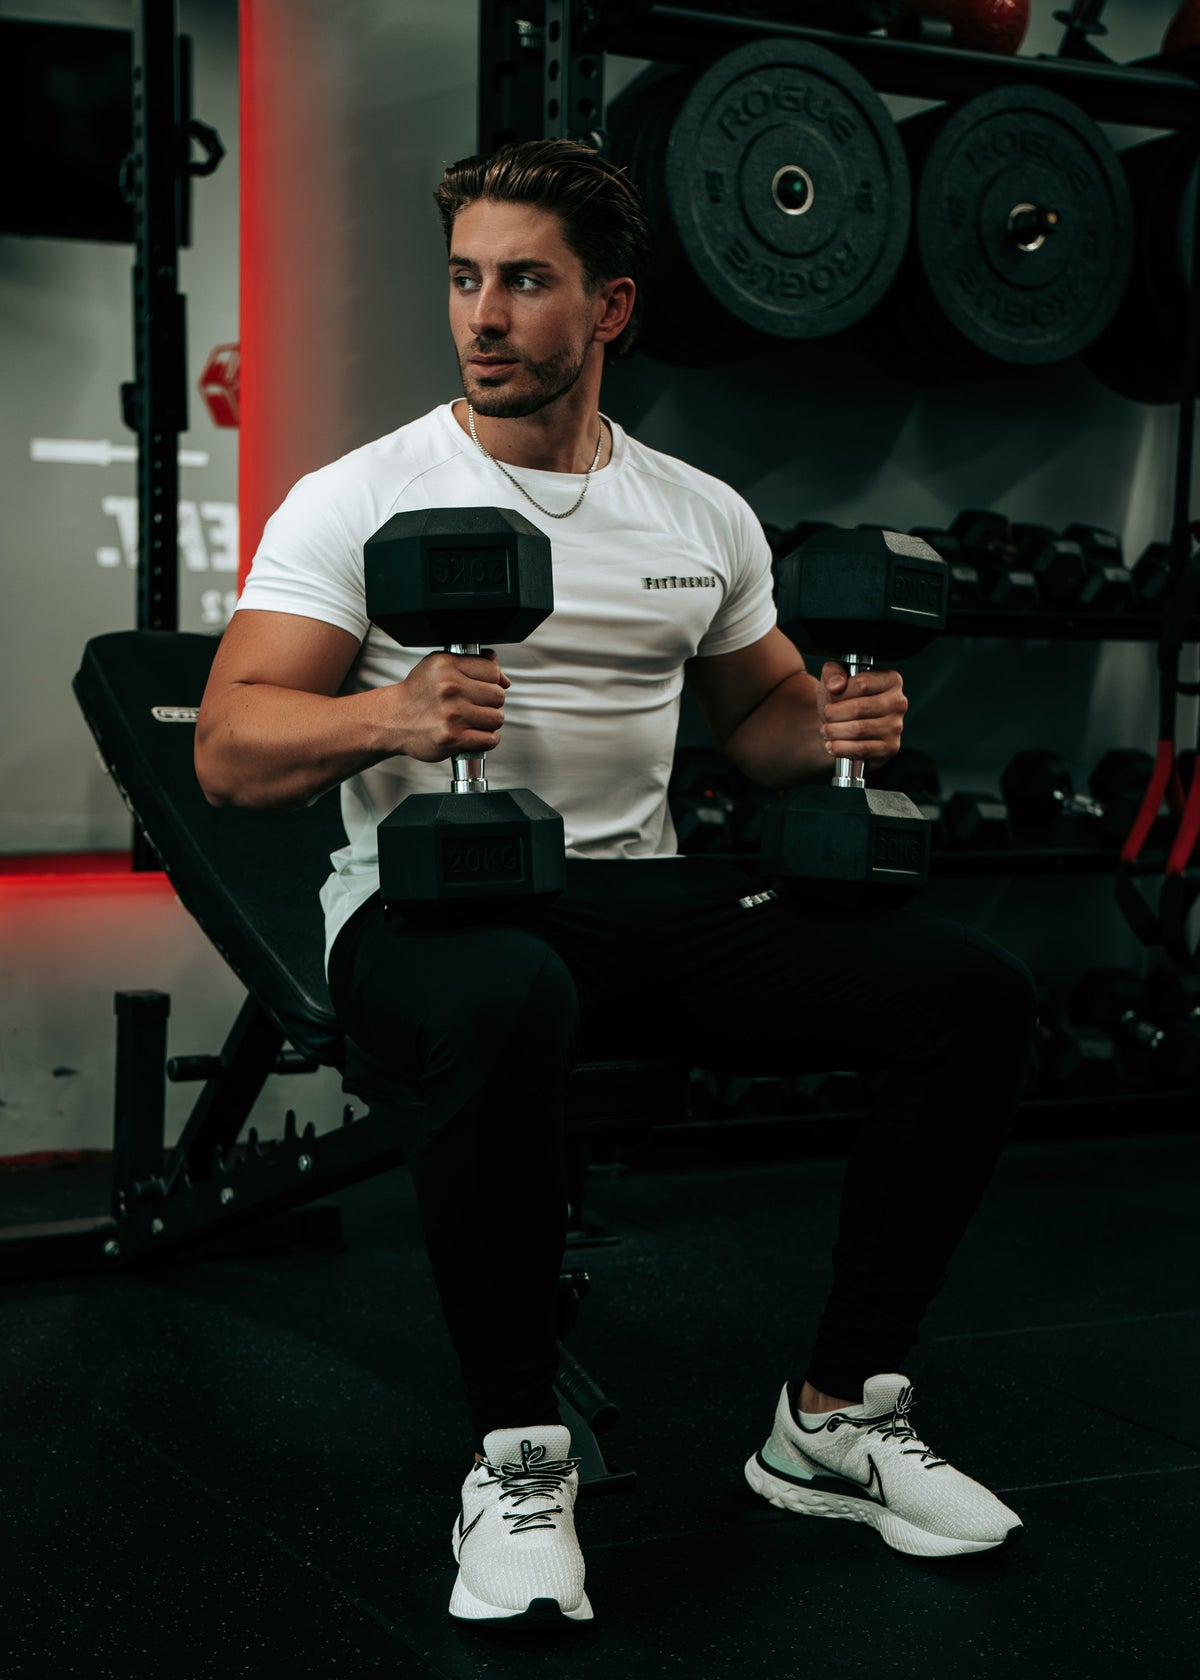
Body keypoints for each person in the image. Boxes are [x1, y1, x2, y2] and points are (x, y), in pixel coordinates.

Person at [195, 138, 1037, 1629]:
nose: (483, 317)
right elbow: (229, 748)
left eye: (526, 281)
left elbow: (762, 723)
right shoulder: (360, 496)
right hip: (426, 909)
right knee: (508, 988)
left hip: (632, 900)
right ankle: (518, 1458)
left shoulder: (700, 514)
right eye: (465, 279)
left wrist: (833, 726)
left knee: (969, 994)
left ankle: (834, 1417)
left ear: (612, 306)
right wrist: (392, 716)